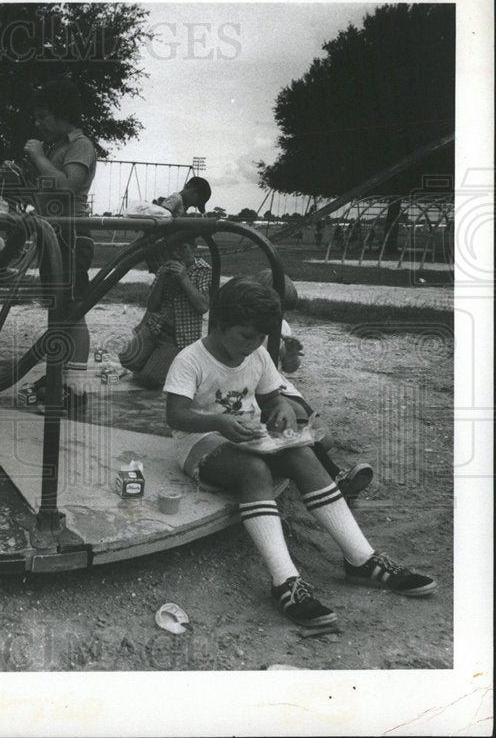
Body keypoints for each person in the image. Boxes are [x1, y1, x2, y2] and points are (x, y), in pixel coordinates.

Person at [163, 277, 436, 627]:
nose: (253, 345)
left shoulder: (257, 354)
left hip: (245, 434)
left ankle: (360, 557)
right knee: (254, 471)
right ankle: (285, 581)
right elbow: (176, 415)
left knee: (302, 454)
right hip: (201, 442)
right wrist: (219, 423)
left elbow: (271, 396)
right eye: (246, 335)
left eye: (261, 338)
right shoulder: (191, 359)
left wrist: (283, 409)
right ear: (219, 324)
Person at [254, 268, 373, 502]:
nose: (279, 315)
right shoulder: (248, 330)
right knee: (297, 421)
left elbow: (289, 369)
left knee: (325, 439)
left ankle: (299, 451)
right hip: (259, 389)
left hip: (279, 385)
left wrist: (290, 354)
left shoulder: (282, 325)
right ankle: (336, 477)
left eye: (282, 310)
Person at [23, 78, 98, 412]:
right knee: (58, 309)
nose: (38, 124)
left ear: (62, 113)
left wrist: (37, 156)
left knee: (72, 309)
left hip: (71, 235)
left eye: (43, 117)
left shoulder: (81, 144)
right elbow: (47, 190)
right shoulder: (55, 148)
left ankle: (76, 385)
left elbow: (68, 185)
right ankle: (61, 374)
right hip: (53, 234)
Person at [121, 236, 211, 389]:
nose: (177, 254)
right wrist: (162, 277)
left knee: (151, 379)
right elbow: (152, 306)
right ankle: (155, 364)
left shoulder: (203, 270)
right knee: (126, 359)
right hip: (155, 327)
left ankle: (162, 368)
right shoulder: (165, 268)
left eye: (182, 248)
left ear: (193, 247)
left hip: (179, 336)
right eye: (173, 250)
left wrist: (184, 278)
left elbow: (202, 307)